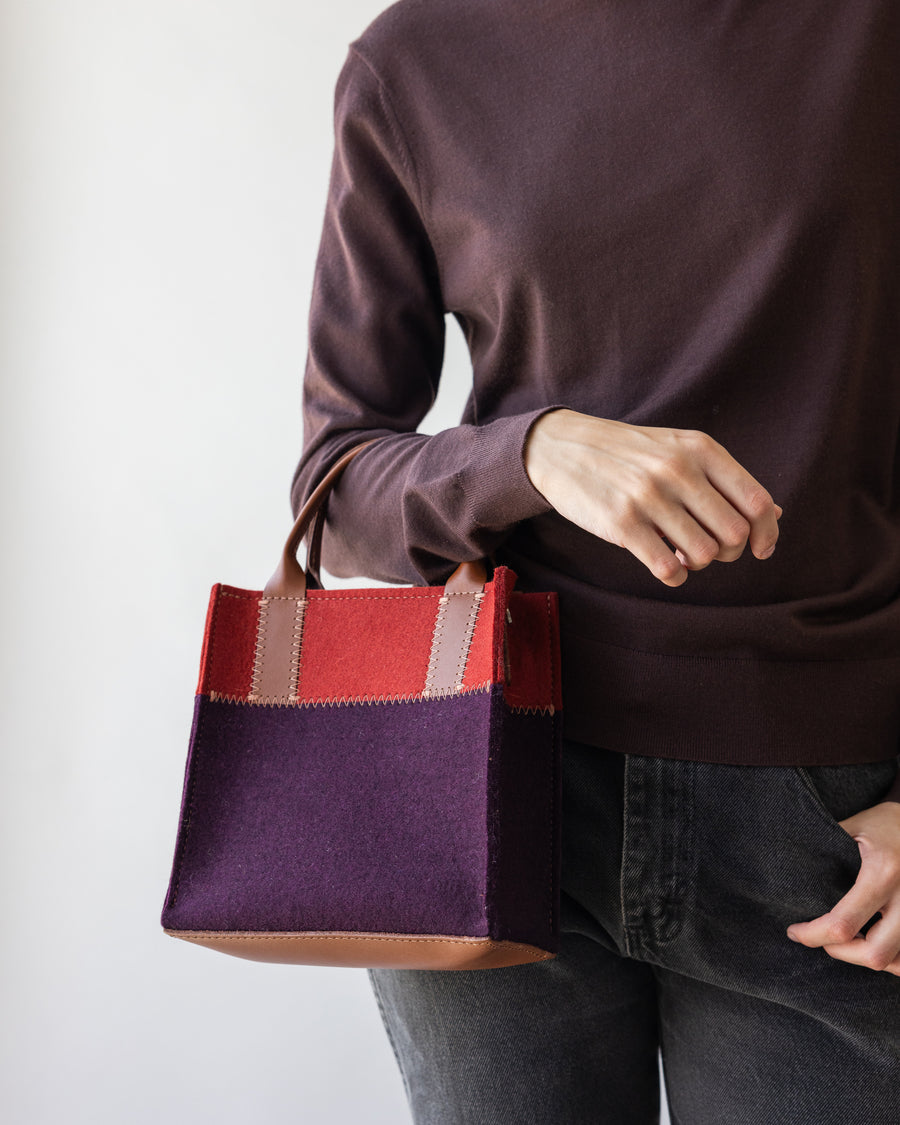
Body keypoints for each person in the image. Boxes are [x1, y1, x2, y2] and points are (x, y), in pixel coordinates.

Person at [290, 2, 900, 1121]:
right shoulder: (415, 59)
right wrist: (532, 453)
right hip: (489, 780)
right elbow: (334, 493)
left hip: (826, 830)